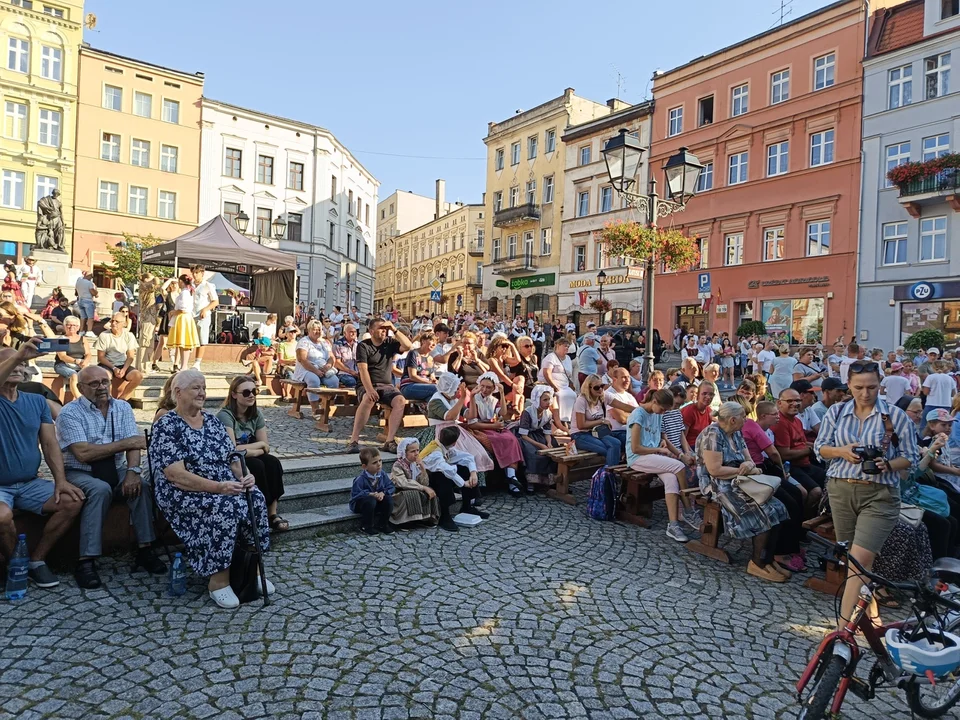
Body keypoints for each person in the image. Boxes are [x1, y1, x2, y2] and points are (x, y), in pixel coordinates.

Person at [150, 369, 273, 609]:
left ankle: (251, 572)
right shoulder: (167, 424)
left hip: (222, 484)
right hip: (183, 491)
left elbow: (233, 458)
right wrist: (218, 487)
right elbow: (175, 474)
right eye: (196, 388)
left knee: (255, 498)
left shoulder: (212, 421)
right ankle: (218, 581)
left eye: (204, 388)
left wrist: (245, 477)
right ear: (178, 392)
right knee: (224, 507)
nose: (202, 393)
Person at [815, 360, 918, 625]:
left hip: (880, 494)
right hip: (841, 491)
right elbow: (820, 449)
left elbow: (910, 458)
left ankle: (842, 630)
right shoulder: (836, 412)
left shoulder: (895, 416)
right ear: (848, 385)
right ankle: (871, 614)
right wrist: (842, 451)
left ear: (880, 384)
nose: (865, 393)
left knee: (858, 561)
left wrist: (887, 464)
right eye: (859, 387)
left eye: (871, 387)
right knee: (856, 561)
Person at [55, 365, 164, 588]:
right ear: (81, 387)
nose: (102, 387)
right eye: (94, 384)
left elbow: (135, 446)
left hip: (116, 468)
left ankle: (145, 549)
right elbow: (83, 453)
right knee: (99, 489)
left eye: (104, 382)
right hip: (80, 471)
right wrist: (126, 443)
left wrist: (133, 471)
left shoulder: (122, 407)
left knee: (141, 484)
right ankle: (86, 560)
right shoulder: (70, 413)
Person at [0, 342, 84, 589]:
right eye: (10, 361)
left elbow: (49, 445)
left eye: (22, 363)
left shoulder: (36, 401)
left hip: (29, 483)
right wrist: (17, 355)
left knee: (72, 501)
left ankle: (36, 560)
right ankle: (16, 563)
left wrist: (60, 481)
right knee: (2, 516)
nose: (17, 365)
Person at [696, 402, 791, 582]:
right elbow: (715, 470)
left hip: (740, 480)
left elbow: (750, 461)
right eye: (743, 416)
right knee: (765, 512)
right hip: (717, 484)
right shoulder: (713, 434)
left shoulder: (736, 432)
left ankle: (767, 559)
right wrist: (744, 468)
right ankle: (757, 563)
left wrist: (747, 466)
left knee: (778, 507)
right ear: (733, 419)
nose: (746, 419)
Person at [627, 389, 701, 543]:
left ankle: (673, 525)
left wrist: (661, 444)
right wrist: (658, 449)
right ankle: (688, 509)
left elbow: (658, 438)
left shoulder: (657, 414)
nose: (663, 413)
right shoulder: (638, 415)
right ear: (654, 402)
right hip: (638, 458)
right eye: (662, 409)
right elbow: (635, 448)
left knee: (671, 480)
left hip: (653, 456)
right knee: (679, 467)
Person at [218, 375, 287, 533]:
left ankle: (272, 513)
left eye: (254, 391)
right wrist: (259, 446)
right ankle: (259, 512)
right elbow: (233, 450)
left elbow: (266, 447)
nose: (251, 395)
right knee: (257, 465)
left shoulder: (256, 414)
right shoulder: (225, 416)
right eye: (246, 392)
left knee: (272, 462)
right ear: (234, 394)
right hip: (231, 461)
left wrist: (255, 448)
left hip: (248, 454)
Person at [346, 319, 413, 454]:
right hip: (367, 384)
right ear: (371, 331)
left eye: (385, 328)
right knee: (368, 399)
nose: (384, 330)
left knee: (400, 400)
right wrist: (370, 390)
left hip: (387, 385)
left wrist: (394, 329)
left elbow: (408, 345)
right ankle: (354, 440)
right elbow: (363, 370)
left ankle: (389, 440)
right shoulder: (364, 346)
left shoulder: (390, 343)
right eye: (380, 328)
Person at [467, 372, 524, 494]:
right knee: (498, 440)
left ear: (494, 389)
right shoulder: (474, 400)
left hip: (491, 427)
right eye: (482, 386)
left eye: (489, 387)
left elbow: (503, 413)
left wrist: (502, 393)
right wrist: (493, 426)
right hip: (478, 428)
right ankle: (509, 476)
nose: (485, 390)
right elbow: (472, 424)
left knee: (511, 438)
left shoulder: (493, 400)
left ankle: (511, 475)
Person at [423, 425, 487, 532]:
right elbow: (447, 470)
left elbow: (467, 457)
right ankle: (445, 515)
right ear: (454, 442)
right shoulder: (435, 453)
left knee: (464, 468)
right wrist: (463, 483)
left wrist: (473, 473)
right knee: (443, 477)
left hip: (441, 472)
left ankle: (467, 506)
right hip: (426, 479)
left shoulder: (445, 447)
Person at [773, 388, 826, 500]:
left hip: (804, 463)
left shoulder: (796, 420)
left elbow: (801, 442)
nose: (795, 404)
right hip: (790, 467)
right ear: (779, 403)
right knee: (816, 491)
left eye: (798, 400)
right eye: (790, 401)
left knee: (831, 479)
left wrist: (817, 446)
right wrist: (812, 449)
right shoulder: (780, 423)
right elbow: (784, 454)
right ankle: (807, 516)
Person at [570, 373, 622, 467]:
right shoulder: (581, 400)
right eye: (596, 387)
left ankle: (609, 475)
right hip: (579, 434)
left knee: (616, 443)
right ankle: (608, 476)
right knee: (607, 449)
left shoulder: (603, 396)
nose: (601, 389)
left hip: (596, 432)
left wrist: (641, 409)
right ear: (588, 388)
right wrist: (601, 421)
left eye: (602, 386)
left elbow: (622, 405)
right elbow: (581, 425)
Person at [389, 438, 439, 526]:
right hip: (399, 492)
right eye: (412, 451)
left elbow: (424, 483)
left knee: (429, 491)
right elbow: (403, 483)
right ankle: (404, 521)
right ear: (405, 452)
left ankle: (426, 518)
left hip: (414, 488)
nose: (416, 453)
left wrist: (423, 469)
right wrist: (423, 487)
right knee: (412, 494)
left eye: (417, 450)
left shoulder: (415, 464)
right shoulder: (398, 465)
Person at [294, 319, 340, 414]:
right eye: (314, 329)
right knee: (314, 380)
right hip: (307, 369)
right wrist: (316, 371)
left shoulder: (324, 342)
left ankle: (328, 408)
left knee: (334, 381)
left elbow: (331, 357)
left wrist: (328, 365)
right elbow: (302, 359)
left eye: (319, 329)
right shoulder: (304, 342)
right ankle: (315, 409)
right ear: (309, 330)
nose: (317, 331)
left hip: (323, 368)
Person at [95, 313, 143, 401]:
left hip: (122, 364)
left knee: (138, 376)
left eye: (117, 321)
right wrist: (113, 368)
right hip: (107, 364)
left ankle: (122, 398)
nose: (113, 323)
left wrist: (124, 369)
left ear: (124, 324)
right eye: (112, 321)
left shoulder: (129, 335)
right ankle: (107, 400)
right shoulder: (104, 335)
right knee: (105, 376)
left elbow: (131, 356)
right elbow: (101, 357)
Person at [518, 385, 558, 491]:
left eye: (549, 399)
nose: (548, 402)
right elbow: (523, 435)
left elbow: (547, 432)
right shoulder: (527, 412)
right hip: (527, 436)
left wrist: (548, 443)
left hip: (539, 434)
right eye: (545, 400)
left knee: (554, 448)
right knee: (533, 453)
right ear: (537, 399)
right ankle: (531, 482)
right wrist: (540, 445)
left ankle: (549, 480)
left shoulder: (548, 413)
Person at [350, 448, 395, 535]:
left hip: (376, 501)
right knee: (370, 500)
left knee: (389, 499)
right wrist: (370, 494)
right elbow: (356, 494)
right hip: (361, 504)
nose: (379, 464)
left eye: (380, 461)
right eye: (374, 463)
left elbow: (390, 486)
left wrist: (383, 493)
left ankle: (383, 524)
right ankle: (366, 526)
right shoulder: (360, 479)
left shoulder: (382, 474)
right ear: (364, 466)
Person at [165, 275, 200, 372]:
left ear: (181, 281)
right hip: (183, 318)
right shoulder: (187, 292)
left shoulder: (185, 293)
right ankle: (182, 365)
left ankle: (184, 366)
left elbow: (183, 309)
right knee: (182, 343)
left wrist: (173, 312)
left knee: (184, 343)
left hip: (183, 318)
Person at [54, 315, 93, 401]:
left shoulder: (82, 339)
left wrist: (85, 362)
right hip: (63, 364)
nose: (72, 327)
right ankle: (80, 400)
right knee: (74, 375)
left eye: (74, 325)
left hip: (80, 363)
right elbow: (62, 356)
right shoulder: (62, 339)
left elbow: (88, 354)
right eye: (69, 325)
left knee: (92, 374)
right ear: (65, 326)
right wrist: (76, 361)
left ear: (78, 327)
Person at [539, 338, 576, 425]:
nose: (567, 348)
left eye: (568, 346)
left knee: (573, 395)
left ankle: (567, 419)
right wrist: (554, 386)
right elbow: (546, 373)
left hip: (564, 385)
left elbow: (568, 374)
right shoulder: (551, 357)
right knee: (560, 395)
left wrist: (571, 383)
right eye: (565, 346)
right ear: (558, 346)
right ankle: (558, 420)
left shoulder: (568, 358)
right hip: (552, 385)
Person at [190, 265, 218, 371]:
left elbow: (215, 301)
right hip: (191, 314)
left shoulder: (208, 285)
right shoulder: (190, 285)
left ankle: (197, 362)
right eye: (193, 272)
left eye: (197, 272)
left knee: (202, 338)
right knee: (190, 338)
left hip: (203, 315)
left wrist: (205, 309)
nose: (194, 275)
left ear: (202, 273)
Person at [604, 366, 639, 452]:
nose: (627, 380)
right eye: (623, 377)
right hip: (616, 432)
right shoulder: (609, 395)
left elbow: (640, 415)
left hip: (631, 431)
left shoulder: (629, 396)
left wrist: (627, 414)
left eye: (628, 377)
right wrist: (634, 416)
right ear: (614, 379)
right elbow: (621, 419)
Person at [400, 331, 439, 402]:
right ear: (423, 341)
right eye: (431, 341)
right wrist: (429, 382)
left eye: (435, 343)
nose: (433, 344)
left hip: (425, 387)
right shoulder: (414, 353)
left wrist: (435, 381)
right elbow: (412, 376)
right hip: (409, 386)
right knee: (436, 388)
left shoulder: (430, 358)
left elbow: (432, 377)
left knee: (433, 399)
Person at [136, 272, 162, 373]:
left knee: (149, 343)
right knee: (145, 343)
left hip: (150, 318)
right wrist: (154, 279)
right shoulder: (144, 286)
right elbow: (156, 282)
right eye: (149, 279)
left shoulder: (147, 287)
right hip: (147, 318)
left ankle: (144, 366)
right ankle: (143, 367)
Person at [680, 383, 715, 449]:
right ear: (698, 395)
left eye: (711, 394)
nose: (708, 397)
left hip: (702, 444)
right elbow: (682, 437)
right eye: (704, 393)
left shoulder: (709, 410)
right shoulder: (689, 411)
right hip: (690, 446)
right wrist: (690, 453)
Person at [333, 323, 361, 388]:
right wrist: (351, 372)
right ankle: (351, 398)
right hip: (344, 373)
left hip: (358, 372)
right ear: (345, 333)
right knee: (351, 382)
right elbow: (337, 363)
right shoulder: (338, 345)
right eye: (351, 332)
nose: (353, 333)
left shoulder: (359, 344)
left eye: (355, 332)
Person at [74, 270, 99, 338]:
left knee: (82, 317)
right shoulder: (89, 283)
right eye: (91, 276)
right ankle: (89, 331)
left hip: (80, 300)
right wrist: (96, 292)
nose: (91, 278)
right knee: (90, 317)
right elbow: (93, 292)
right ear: (89, 276)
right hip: (87, 300)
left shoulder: (78, 282)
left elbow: (76, 291)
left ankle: (81, 331)